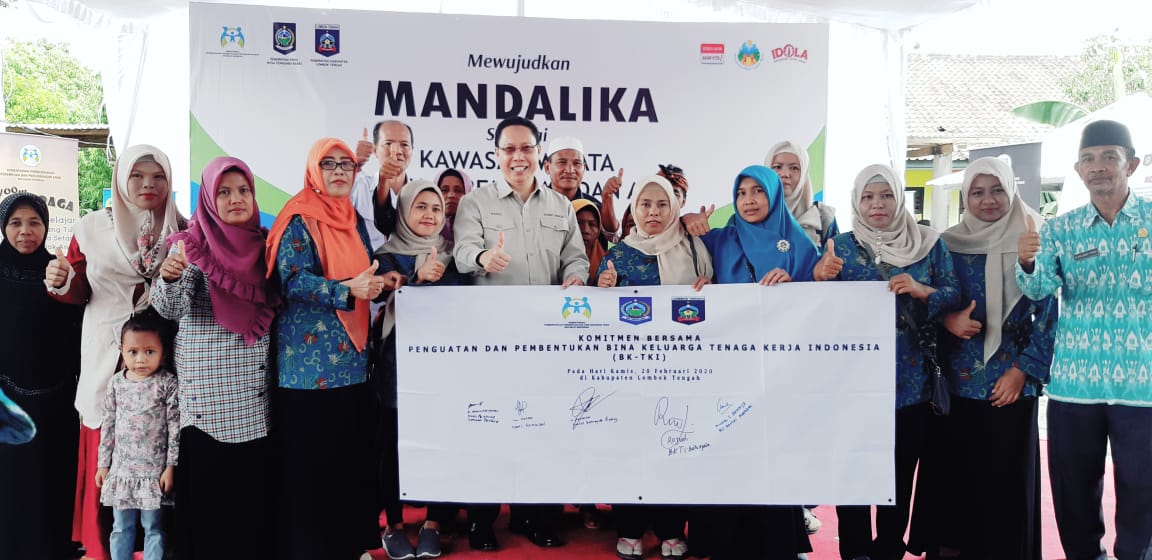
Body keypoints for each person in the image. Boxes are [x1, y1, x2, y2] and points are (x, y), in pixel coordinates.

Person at [906, 156, 1056, 560]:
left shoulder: (1034, 240)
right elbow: (924, 304)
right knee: (954, 487)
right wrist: (948, 319)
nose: (988, 200)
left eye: (997, 190)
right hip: (953, 389)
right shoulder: (946, 244)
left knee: (1003, 491)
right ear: (965, 197)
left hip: (1010, 388)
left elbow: (1048, 312)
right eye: (977, 192)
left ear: (1012, 191)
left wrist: (1022, 371)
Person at [1015, 119, 1152, 560]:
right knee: (1073, 492)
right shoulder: (1061, 229)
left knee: (1144, 494)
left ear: (1131, 165)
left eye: (1110, 157)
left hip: (1143, 387)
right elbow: (1039, 290)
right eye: (1089, 160)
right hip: (1075, 384)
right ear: (1078, 171)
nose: (1098, 167)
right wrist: (1028, 263)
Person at [454, 116, 589, 550]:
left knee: (541, 428)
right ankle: (481, 520)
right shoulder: (475, 203)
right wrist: (482, 258)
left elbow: (576, 257)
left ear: (538, 153)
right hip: (492, 338)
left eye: (526, 148)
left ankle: (534, 517)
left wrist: (576, 276)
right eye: (509, 149)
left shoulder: (561, 206)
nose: (518, 157)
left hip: (547, 340)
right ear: (496, 154)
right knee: (490, 427)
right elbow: (461, 251)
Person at [44, 144, 185, 560]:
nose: (147, 184)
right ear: (121, 179)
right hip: (107, 349)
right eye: (137, 176)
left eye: (158, 176)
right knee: (106, 440)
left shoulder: (183, 228)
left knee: (160, 441)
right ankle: (104, 546)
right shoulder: (91, 228)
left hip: (162, 355)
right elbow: (77, 289)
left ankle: (159, 547)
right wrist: (60, 279)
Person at [814, 164, 961, 560]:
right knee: (852, 473)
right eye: (867, 196)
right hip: (851, 385)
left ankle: (889, 549)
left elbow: (954, 293)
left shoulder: (928, 244)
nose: (876, 204)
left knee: (898, 476)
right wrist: (820, 277)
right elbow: (817, 310)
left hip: (910, 384)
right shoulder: (840, 247)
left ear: (900, 198)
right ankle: (856, 551)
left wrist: (921, 289)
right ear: (856, 201)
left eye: (886, 195)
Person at [265, 138, 391, 559]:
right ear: (314, 170)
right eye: (329, 164)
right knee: (310, 467)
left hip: (353, 363)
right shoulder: (299, 216)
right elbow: (289, 279)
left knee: (347, 461)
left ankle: (348, 545)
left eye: (346, 164)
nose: (339, 171)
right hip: (307, 369)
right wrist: (345, 289)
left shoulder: (352, 218)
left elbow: (365, 272)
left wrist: (375, 284)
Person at [151, 156, 277, 559]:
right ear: (208, 198)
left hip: (254, 400)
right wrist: (169, 277)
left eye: (243, 190)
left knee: (251, 514)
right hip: (207, 402)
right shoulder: (190, 246)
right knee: (209, 518)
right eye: (223, 192)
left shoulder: (266, 246)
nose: (235, 199)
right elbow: (169, 309)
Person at [595, 175, 712, 560]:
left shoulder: (693, 248)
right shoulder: (618, 254)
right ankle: (629, 528)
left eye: (662, 204)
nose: (653, 212)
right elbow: (599, 318)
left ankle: (670, 529)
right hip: (628, 374)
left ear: (674, 207)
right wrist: (603, 288)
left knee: (674, 446)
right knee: (629, 450)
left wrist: (708, 288)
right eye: (645, 204)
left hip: (680, 373)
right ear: (634, 208)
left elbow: (714, 304)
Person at [372, 179, 471, 560]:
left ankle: (434, 522)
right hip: (395, 367)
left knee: (441, 441)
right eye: (421, 207)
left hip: (444, 368)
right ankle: (394, 526)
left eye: (436, 208)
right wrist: (414, 281)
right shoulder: (385, 256)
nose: (430, 215)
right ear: (404, 211)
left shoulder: (453, 256)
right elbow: (376, 299)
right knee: (394, 447)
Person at [0, 193, 83, 560]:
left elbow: (78, 324)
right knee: (11, 482)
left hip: (56, 400)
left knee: (53, 478)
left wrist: (68, 285)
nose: (25, 231)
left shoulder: (59, 271)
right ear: (4, 227)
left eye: (34, 222)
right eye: (16, 223)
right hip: (7, 402)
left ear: (46, 227)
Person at [95, 311, 179, 560]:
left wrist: (170, 467)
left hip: (153, 474)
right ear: (122, 351)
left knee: (154, 528)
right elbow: (108, 425)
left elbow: (174, 427)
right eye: (133, 352)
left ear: (163, 352)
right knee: (121, 528)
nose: (140, 359)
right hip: (122, 472)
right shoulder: (116, 384)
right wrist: (103, 465)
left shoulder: (167, 383)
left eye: (149, 351)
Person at [353, 120, 416, 250]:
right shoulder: (358, 186)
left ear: (412, 150)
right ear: (375, 150)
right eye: (388, 144)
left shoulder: (421, 194)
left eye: (404, 145)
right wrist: (355, 163)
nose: (397, 151)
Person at [766, 140, 839, 246]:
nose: (785, 174)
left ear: (804, 174)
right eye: (777, 167)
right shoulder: (752, 213)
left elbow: (836, 254)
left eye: (794, 168)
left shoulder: (823, 216)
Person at [434, 168, 474, 247]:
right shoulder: (425, 227)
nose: (451, 195)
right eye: (444, 190)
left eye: (458, 190)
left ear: (467, 193)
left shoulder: (478, 228)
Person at [574, 199, 608, 285]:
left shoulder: (609, 261)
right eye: (578, 223)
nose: (585, 230)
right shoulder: (553, 258)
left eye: (592, 224)